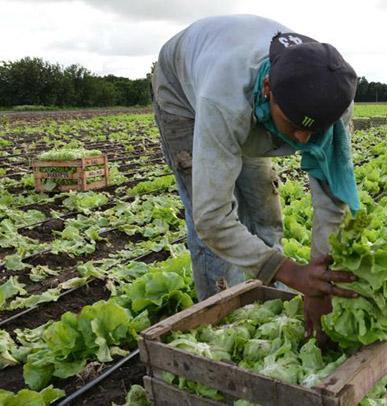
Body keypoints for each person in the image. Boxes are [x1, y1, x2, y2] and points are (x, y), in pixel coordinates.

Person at [151, 15, 360, 345]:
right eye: (294, 127)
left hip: (251, 95)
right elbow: (213, 218)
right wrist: (293, 272)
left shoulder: (332, 98)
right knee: (213, 235)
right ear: (267, 90)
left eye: (314, 131)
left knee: (265, 213)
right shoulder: (223, 99)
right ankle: (221, 326)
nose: (303, 141)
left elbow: (332, 196)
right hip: (183, 94)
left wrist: (318, 282)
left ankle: (271, 302)